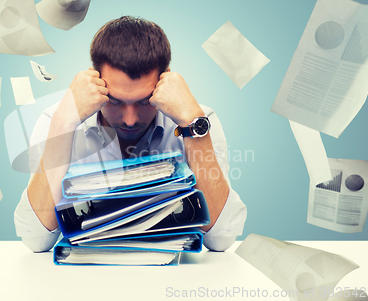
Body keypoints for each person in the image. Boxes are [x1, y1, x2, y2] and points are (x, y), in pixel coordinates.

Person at [14, 16, 247, 252]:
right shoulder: (59, 120)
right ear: (93, 80)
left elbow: (221, 239)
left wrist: (193, 125)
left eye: (145, 101)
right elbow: (35, 239)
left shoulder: (198, 121)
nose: (130, 119)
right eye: (114, 101)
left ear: (166, 80)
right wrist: (63, 125)